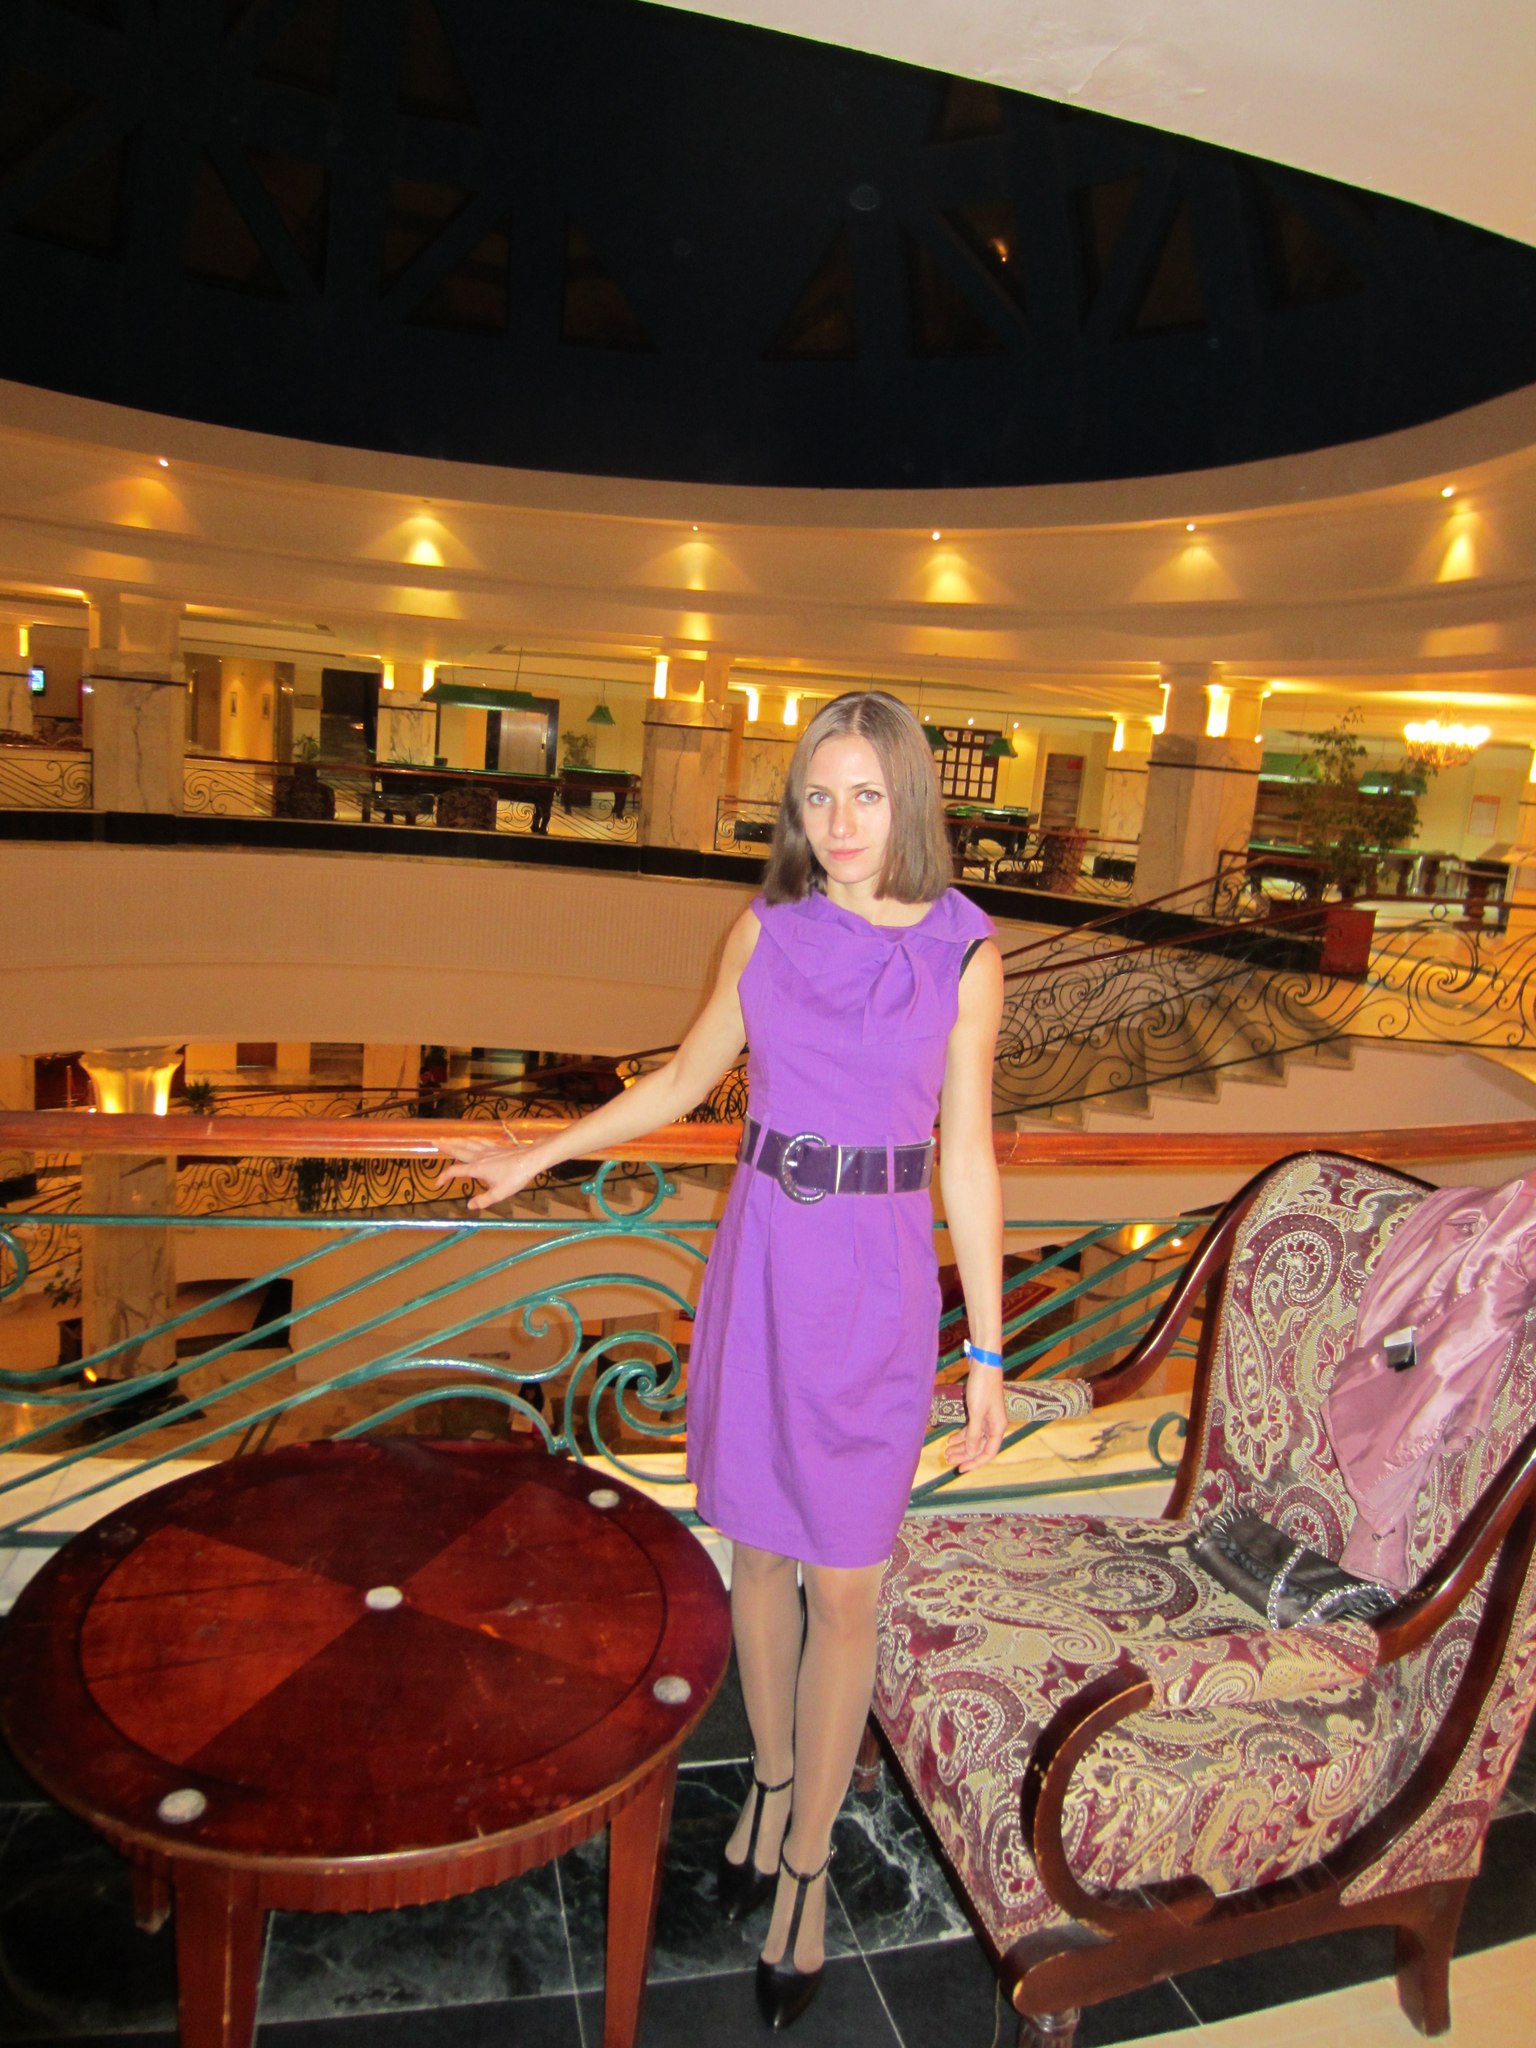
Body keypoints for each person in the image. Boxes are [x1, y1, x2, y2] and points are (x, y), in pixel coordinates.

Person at [434, 690, 1006, 2029]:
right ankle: (769, 1779)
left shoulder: (967, 953)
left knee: (847, 1588)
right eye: (818, 797)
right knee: (757, 1554)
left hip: (875, 1280)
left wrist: (986, 1347)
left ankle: (807, 1868)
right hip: (763, 1262)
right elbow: (683, 1084)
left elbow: (971, 1158)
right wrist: (536, 1153)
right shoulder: (769, 929)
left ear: (910, 801)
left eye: (865, 795)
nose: (840, 822)